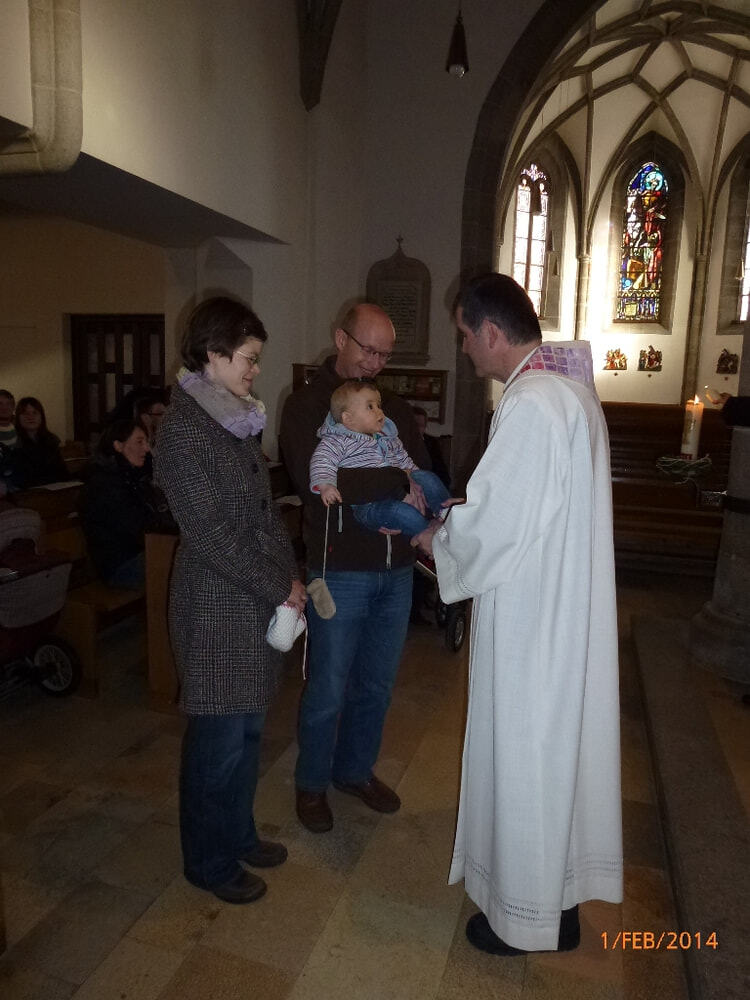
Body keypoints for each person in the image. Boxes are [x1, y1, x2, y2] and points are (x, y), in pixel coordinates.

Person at [414, 273, 623, 956]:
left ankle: (525, 921)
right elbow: (532, 505)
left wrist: (439, 539)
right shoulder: (571, 392)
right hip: (561, 604)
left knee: (527, 755)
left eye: (465, 335)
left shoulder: (532, 402)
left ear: (492, 332)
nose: (465, 349)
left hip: (534, 620)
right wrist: (466, 515)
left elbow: (499, 524)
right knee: (554, 756)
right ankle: (557, 909)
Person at [154, 297, 305, 906]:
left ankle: (238, 835)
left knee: (245, 739)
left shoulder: (234, 419)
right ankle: (208, 862)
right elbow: (211, 535)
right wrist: (280, 585)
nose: (255, 370)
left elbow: (262, 516)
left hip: (253, 603)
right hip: (215, 609)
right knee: (215, 750)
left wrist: (289, 576)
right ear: (213, 355)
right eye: (248, 358)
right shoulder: (182, 432)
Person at [280, 302, 430, 833]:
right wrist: (394, 484)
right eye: (369, 350)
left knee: (376, 685)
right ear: (340, 338)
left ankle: (354, 771)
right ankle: (311, 784)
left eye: (385, 355)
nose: (376, 364)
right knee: (328, 687)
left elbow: (421, 471)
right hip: (338, 571)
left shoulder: (393, 409)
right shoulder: (306, 406)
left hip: (396, 571)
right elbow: (318, 485)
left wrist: (411, 490)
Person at [310, 380, 450, 539]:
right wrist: (326, 485)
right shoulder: (336, 441)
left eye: (379, 405)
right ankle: (430, 536)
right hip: (368, 506)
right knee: (402, 513)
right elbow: (322, 461)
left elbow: (405, 460)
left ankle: (446, 514)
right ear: (348, 418)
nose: (379, 412)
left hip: (399, 492)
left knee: (427, 476)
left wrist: (417, 481)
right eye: (370, 407)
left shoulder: (388, 438)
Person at [79, 419, 174, 588]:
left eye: (147, 442)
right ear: (118, 445)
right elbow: (136, 527)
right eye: (139, 442)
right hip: (120, 564)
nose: (147, 448)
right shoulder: (105, 484)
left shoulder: (133, 476)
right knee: (182, 562)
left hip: (140, 552)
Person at [14, 396, 70, 486]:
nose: (30, 417)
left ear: (41, 416)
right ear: (18, 417)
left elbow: (62, 471)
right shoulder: (14, 442)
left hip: (54, 488)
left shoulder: (51, 440)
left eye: (35, 413)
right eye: (25, 413)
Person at [411, 405, 450, 489]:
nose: (417, 429)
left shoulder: (432, 442)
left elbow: (441, 471)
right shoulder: (398, 442)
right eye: (414, 425)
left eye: (421, 425)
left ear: (425, 427)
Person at [0, 390, 20, 497]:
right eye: (0, 404)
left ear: (13, 407)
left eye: (8, 404)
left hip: (17, 481)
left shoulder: (20, 427)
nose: (4, 407)